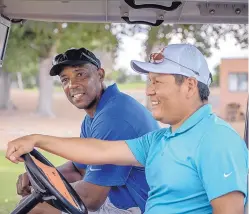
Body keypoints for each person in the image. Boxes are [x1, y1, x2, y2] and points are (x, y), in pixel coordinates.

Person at [7, 44, 248, 214]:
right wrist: (37, 140)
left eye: (157, 82)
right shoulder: (161, 139)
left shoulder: (216, 139)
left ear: (189, 85)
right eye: (149, 82)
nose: (148, 91)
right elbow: (98, 151)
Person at [14, 47, 160, 214]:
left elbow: (92, 198)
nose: (72, 85)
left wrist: (42, 194)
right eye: (64, 79)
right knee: (32, 202)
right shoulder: (95, 116)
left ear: (100, 74)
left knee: (35, 207)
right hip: (117, 201)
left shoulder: (115, 116)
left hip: (137, 207)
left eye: (80, 74)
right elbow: (78, 170)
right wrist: (39, 180)